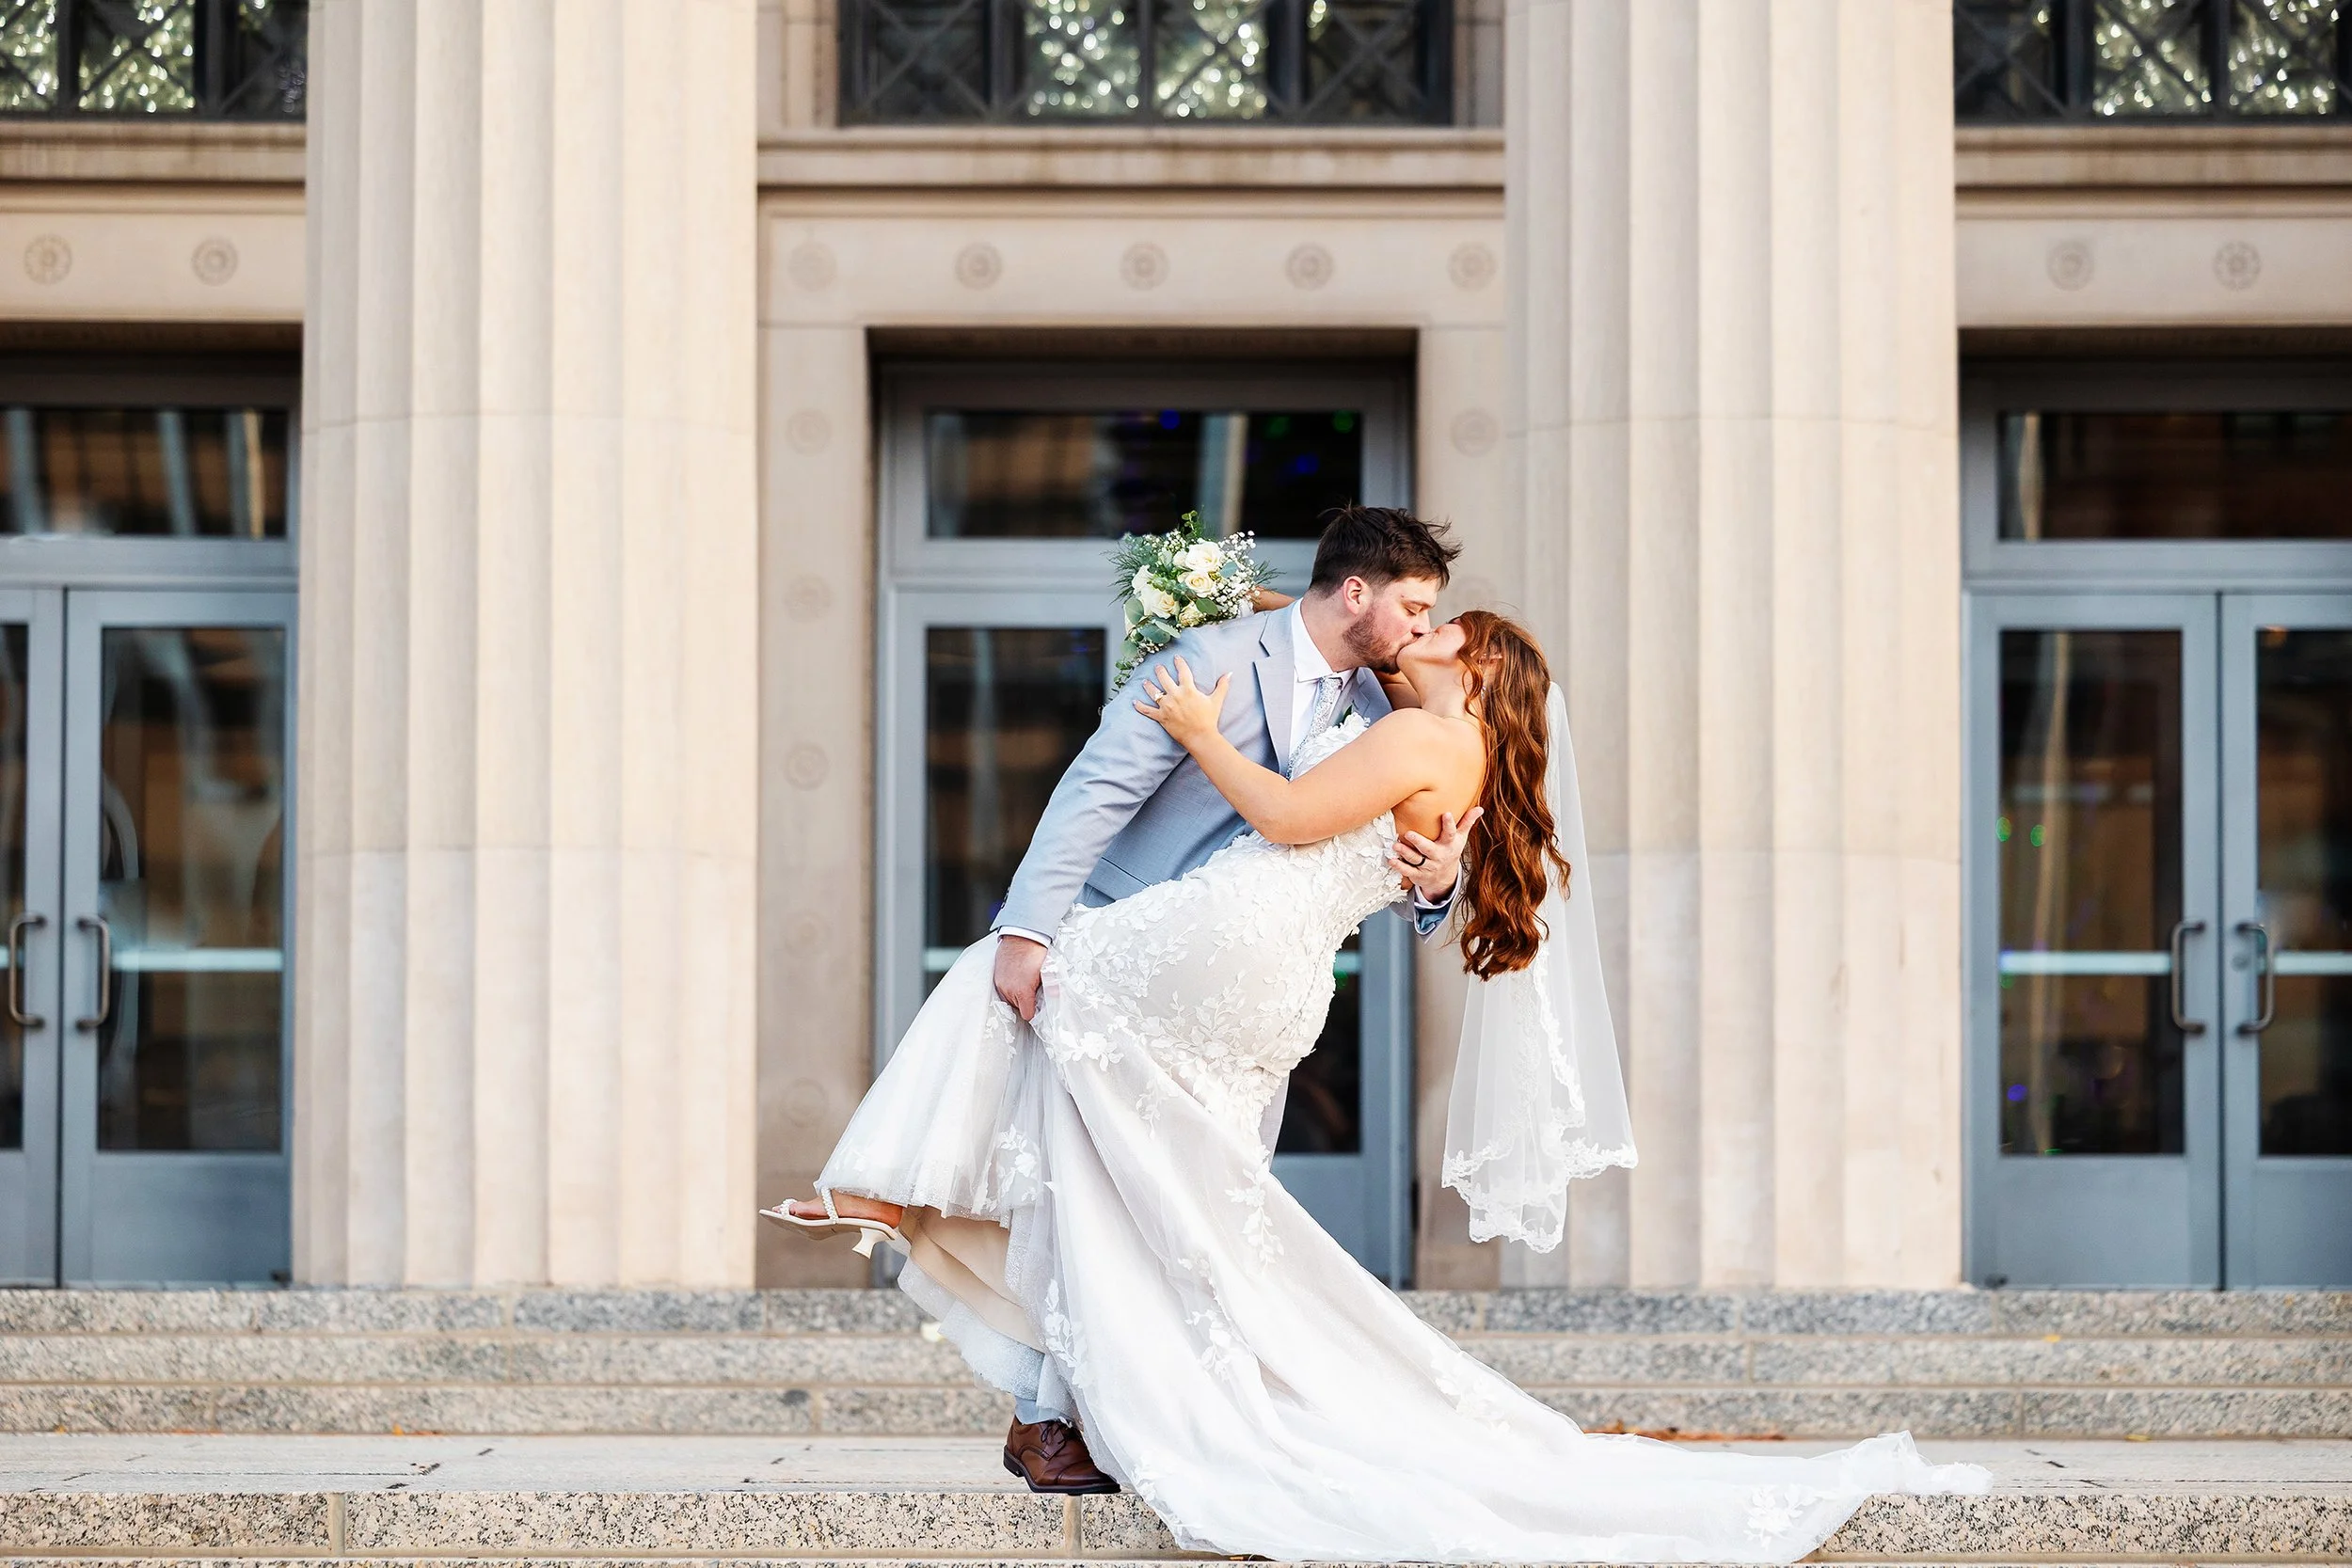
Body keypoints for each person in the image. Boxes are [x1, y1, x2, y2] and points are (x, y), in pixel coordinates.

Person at [772, 573, 1989, 1561]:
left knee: (1030, 962)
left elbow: (1293, 818)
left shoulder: (1416, 728)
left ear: (1476, 664)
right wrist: (1426, 858)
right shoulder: (1429, 749)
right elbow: (1396, 848)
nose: (1420, 630)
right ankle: (1043, 1381)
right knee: (1130, 1159)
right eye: (1413, 610)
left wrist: (1200, 731)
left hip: (1232, 936)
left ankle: (898, 1190)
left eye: (1440, 625)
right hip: (1280, 987)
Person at [771, 506, 1477, 1490]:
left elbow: (1397, 848)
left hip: (1244, 1005)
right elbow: (1091, 793)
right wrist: (1027, 931)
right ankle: (1045, 1411)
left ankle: (1162, 1410)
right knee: (1082, 1192)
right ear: (1354, 591)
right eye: (1410, 603)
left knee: (1187, 1224)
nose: (1418, 625)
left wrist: (1436, 881)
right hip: (1133, 952)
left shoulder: (1388, 699)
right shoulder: (1205, 663)